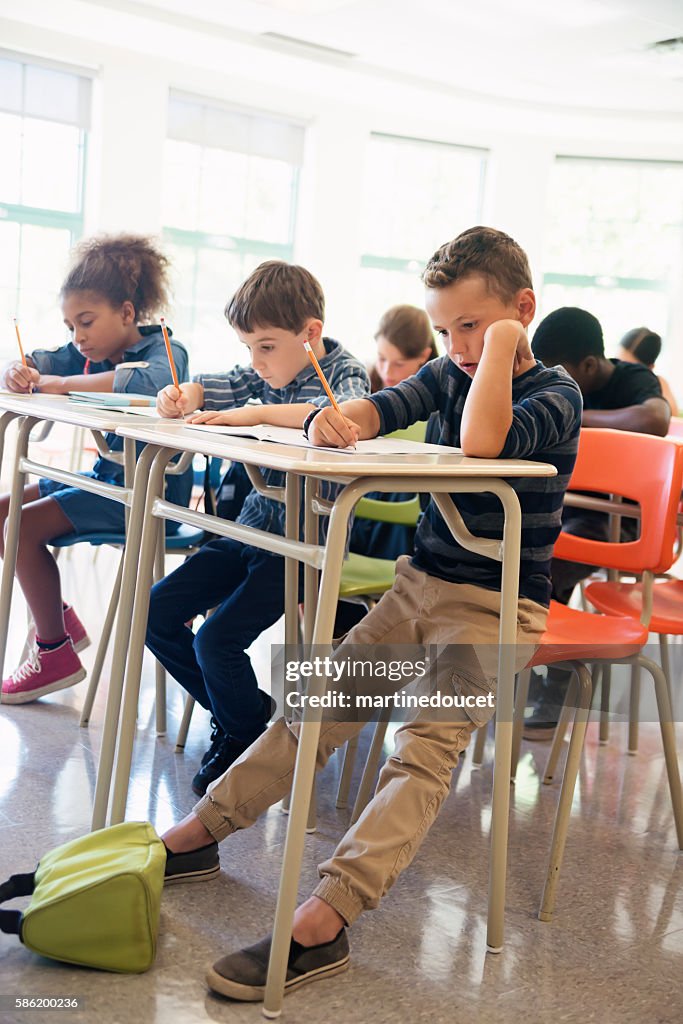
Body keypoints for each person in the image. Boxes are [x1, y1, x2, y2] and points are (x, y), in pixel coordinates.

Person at [158, 226, 582, 1005]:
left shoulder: (554, 395)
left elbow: (486, 443)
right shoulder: (445, 372)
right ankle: (202, 833)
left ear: (519, 312)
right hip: (417, 586)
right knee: (314, 710)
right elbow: (381, 405)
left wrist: (500, 349)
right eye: (446, 327)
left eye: (472, 327)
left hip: (496, 611)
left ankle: (328, 916)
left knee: (422, 751)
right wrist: (333, 419)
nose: (454, 345)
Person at [145, 260, 369, 797]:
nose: (256, 361)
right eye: (249, 347)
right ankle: (243, 714)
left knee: (216, 642)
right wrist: (185, 397)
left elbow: (336, 416)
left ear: (309, 335)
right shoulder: (261, 372)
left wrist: (251, 416)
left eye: (265, 346)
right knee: (154, 611)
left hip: (303, 547)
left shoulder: (345, 373)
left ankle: (241, 728)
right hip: (250, 533)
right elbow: (221, 385)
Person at [0, 234, 192, 705]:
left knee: (18, 529)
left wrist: (61, 383)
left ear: (127, 313)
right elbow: (42, 362)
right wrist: (19, 369)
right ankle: (59, 623)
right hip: (109, 484)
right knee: (2, 513)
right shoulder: (86, 352)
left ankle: (53, 652)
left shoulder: (165, 349)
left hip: (149, 495)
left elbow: (153, 385)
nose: (78, 337)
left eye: (86, 322)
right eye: (70, 326)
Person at [525, 306, 671, 737]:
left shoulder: (632, 379)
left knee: (541, 572)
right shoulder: (556, 379)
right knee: (522, 559)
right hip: (565, 513)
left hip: (619, 525)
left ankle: (555, 681)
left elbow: (655, 419)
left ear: (589, 365)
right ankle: (528, 675)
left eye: (564, 377)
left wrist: (570, 416)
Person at [617, 326, 678, 416]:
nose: (623, 369)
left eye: (631, 368)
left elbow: (672, 416)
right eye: (618, 362)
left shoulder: (658, 383)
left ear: (650, 368)